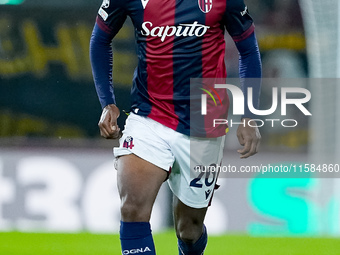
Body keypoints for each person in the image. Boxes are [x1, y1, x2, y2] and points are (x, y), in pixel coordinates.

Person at [90, 0, 262, 254]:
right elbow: (100, 40)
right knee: (132, 208)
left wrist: (249, 115)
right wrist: (108, 103)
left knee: (189, 229)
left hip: (204, 124)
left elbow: (248, 50)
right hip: (148, 116)